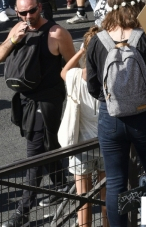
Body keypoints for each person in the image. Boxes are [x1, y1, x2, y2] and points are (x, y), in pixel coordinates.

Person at [86, 0, 146, 227]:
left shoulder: (97, 41)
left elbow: (93, 86)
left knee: (116, 181)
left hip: (111, 117)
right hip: (144, 116)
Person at [0, 0, 75, 227]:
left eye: (32, 10)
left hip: (48, 101)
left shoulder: (56, 33)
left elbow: (73, 65)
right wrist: (14, 39)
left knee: (34, 153)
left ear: (40, 7)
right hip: (24, 99)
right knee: (49, 144)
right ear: (16, 11)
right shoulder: (17, 29)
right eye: (22, 12)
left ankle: (22, 211)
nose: (28, 16)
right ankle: (61, 182)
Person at [60, 27, 107, 227]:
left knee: (83, 197)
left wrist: (80, 51)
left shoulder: (76, 76)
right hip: (106, 142)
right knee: (107, 194)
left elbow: (63, 72)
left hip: (81, 145)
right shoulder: (109, 73)